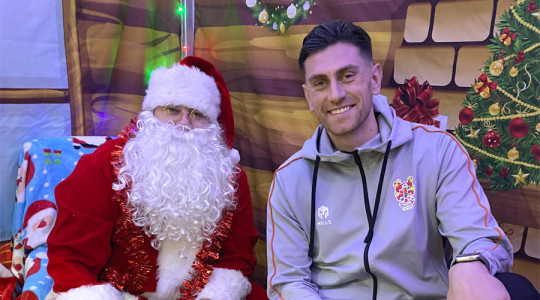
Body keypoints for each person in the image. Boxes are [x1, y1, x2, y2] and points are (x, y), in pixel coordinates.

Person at [266, 20, 523, 300]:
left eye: (348, 75)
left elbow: (481, 238)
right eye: (320, 83)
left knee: (516, 289)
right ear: (308, 96)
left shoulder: (436, 150)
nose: (335, 94)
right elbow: (289, 282)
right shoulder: (290, 179)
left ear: (375, 78)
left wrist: (470, 265)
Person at [45, 56, 267, 300]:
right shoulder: (104, 164)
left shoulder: (229, 177)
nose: (184, 123)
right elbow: (72, 256)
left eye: (197, 114)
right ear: (152, 113)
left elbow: (237, 256)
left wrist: (214, 295)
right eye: (172, 109)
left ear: (211, 124)